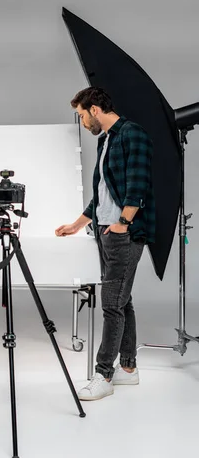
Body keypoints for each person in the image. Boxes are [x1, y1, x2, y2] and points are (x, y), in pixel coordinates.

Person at [55, 87, 155, 401]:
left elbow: (138, 185)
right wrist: (77, 224)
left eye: (83, 115)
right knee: (122, 300)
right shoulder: (106, 139)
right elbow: (101, 194)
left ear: (95, 109)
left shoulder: (131, 134)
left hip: (124, 233)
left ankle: (104, 375)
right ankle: (128, 369)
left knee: (111, 303)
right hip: (105, 231)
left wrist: (123, 223)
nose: (83, 122)